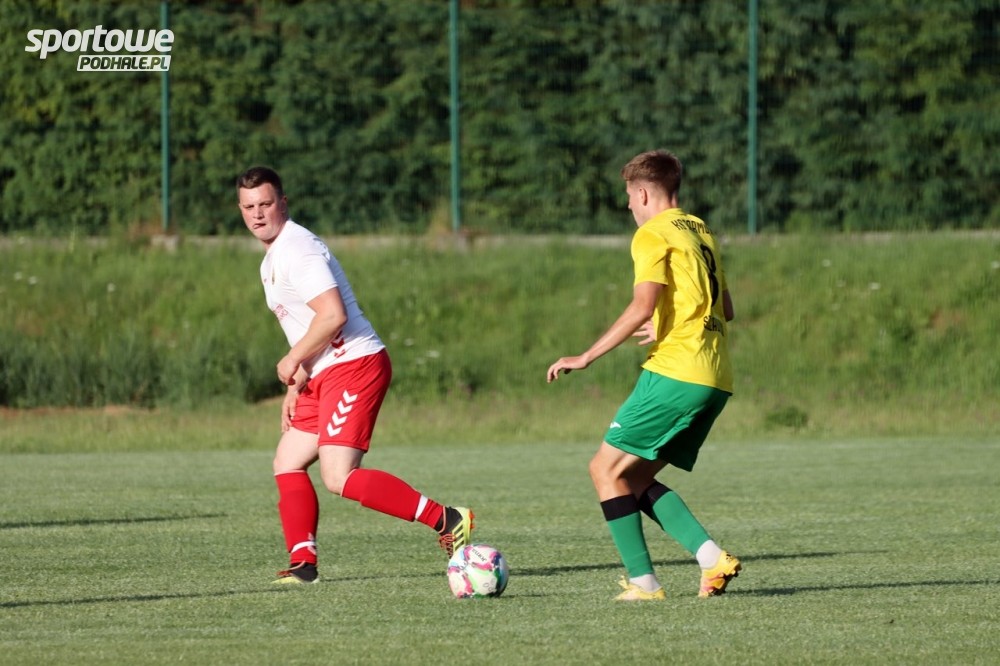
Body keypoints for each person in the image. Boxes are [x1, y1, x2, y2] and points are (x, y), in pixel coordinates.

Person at [236, 166, 474, 584]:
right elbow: (307, 324)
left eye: (266, 204)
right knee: (287, 461)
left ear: (283, 203)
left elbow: (332, 315)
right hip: (322, 371)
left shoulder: (297, 250)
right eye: (248, 207)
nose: (257, 214)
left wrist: (292, 359)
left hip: (354, 366)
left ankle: (448, 518)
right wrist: (299, 380)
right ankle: (304, 565)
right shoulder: (272, 258)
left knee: (338, 475)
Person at [546, 150, 740, 601]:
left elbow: (641, 306)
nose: (629, 206)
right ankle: (712, 559)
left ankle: (644, 583)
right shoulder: (700, 230)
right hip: (715, 377)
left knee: (603, 469)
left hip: (676, 372)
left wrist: (586, 356)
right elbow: (725, 309)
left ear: (644, 193)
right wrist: (668, 321)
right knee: (629, 479)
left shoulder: (652, 233)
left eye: (629, 197)